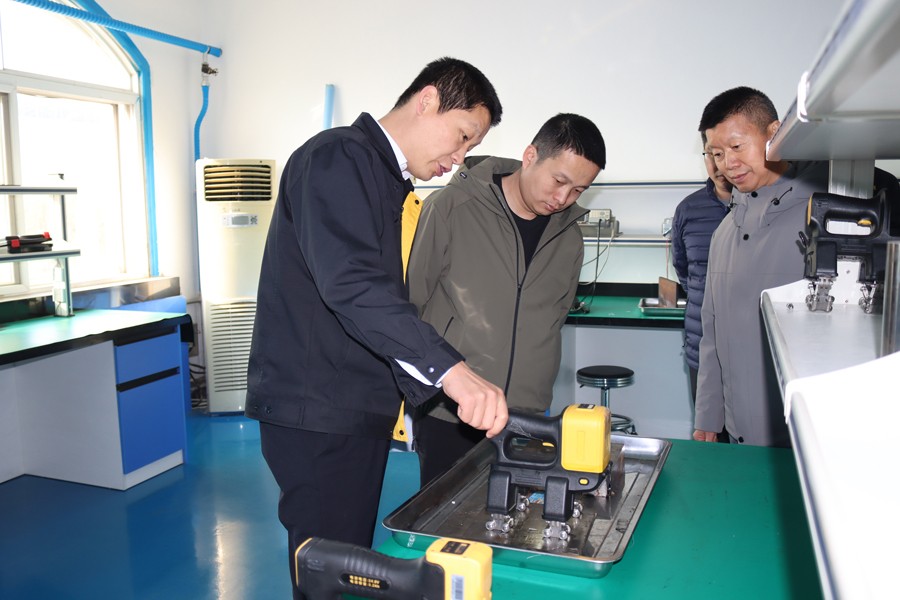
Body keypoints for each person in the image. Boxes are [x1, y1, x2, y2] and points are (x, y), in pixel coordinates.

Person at [244, 57, 508, 598]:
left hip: (346, 406)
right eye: (462, 136)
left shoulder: (384, 177)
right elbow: (353, 285)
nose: (459, 159)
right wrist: (450, 372)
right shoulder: (338, 157)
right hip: (317, 409)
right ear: (428, 100)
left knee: (344, 563)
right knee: (329, 572)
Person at [407, 113, 606, 485]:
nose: (563, 198)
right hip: (451, 411)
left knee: (516, 515)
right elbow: (412, 305)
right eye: (559, 181)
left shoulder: (569, 238)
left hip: (527, 417)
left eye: (578, 190)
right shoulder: (451, 208)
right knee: (446, 515)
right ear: (531, 156)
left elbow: (556, 316)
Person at [692, 86, 830, 447]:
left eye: (737, 147)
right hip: (739, 435)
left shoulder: (825, 217)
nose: (728, 163)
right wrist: (708, 416)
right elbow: (711, 333)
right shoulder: (724, 232)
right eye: (717, 154)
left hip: (803, 437)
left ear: (774, 134)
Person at [671, 142, 732, 409]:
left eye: (726, 153)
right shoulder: (688, 209)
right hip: (702, 347)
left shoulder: (764, 206)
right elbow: (683, 269)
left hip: (751, 353)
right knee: (707, 428)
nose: (718, 164)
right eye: (712, 155)